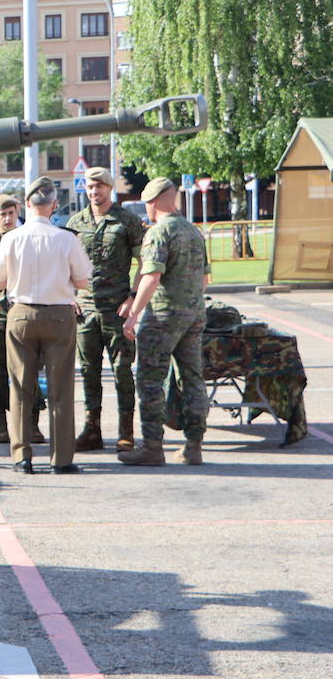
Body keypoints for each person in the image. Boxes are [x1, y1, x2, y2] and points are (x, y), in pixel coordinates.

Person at [0, 177, 93, 473]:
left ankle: (22, 456)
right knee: (60, 387)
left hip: (21, 312)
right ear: (54, 205)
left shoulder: (11, 238)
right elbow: (83, 281)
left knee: (21, 387)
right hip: (60, 314)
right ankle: (61, 458)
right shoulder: (66, 238)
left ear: (26, 204)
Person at [122, 178, 211, 466]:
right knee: (193, 379)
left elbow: (151, 276)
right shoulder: (193, 231)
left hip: (162, 316)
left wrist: (133, 314)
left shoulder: (159, 232)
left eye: (147, 203)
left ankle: (151, 447)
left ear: (154, 201)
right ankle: (194, 445)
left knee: (149, 380)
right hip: (194, 314)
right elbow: (205, 279)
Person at [66, 167, 147, 453]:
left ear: (110, 188)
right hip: (85, 310)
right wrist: (68, 295)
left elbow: (144, 263)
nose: (94, 192)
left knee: (123, 370)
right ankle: (92, 429)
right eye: (90, 187)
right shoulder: (76, 222)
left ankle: (126, 431)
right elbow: (67, 264)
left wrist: (133, 298)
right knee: (88, 372)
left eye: (99, 187)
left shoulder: (127, 221)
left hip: (117, 309)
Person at [0, 194, 44, 445]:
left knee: (29, 370)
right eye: (2, 215)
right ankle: (1, 424)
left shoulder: (28, 241)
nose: (7, 219)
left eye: (11, 213)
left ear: (18, 212)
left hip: (26, 313)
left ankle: (33, 424)